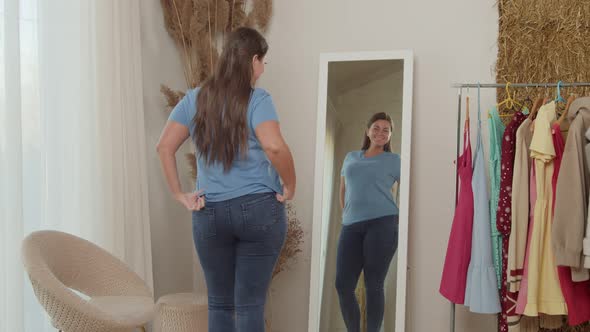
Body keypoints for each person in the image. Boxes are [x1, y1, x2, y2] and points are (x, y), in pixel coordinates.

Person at [156, 27, 296, 332]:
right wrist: (290, 184)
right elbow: (273, 146)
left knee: (219, 303)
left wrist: (180, 194)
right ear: (254, 60)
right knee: (250, 305)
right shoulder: (258, 99)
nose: (262, 69)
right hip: (258, 209)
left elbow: (164, 147)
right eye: (263, 62)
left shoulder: (195, 99)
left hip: (209, 214)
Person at [335, 112, 400, 332]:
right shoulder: (351, 157)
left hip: (382, 224)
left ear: (390, 135)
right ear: (368, 130)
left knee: (374, 285)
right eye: (376, 128)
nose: (380, 133)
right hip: (351, 226)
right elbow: (343, 191)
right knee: (343, 285)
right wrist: (348, 215)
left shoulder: (395, 160)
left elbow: (407, 190)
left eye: (386, 130)